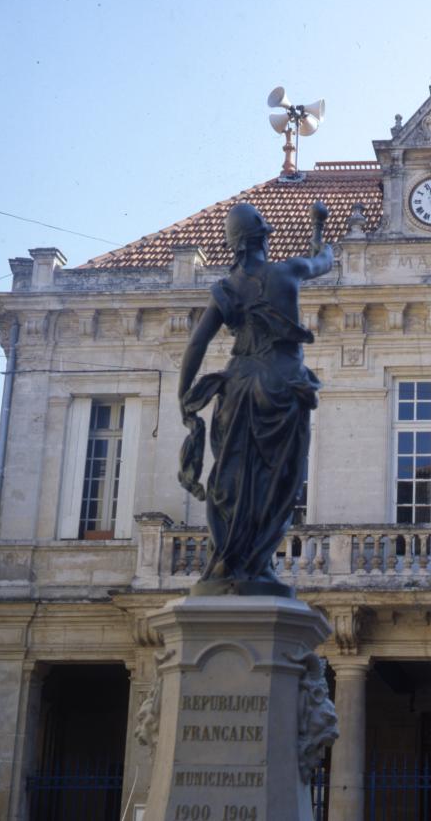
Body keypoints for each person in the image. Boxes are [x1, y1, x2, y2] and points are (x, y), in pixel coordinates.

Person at [177, 200, 332, 592]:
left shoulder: (226, 289)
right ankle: (257, 563)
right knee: (280, 479)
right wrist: (319, 234)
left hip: (239, 385)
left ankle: (228, 561)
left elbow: (196, 345)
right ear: (265, 237)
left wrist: (185, 396)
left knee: (231, 476)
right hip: (281, 386)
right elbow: (324, 261)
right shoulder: (288, 272)